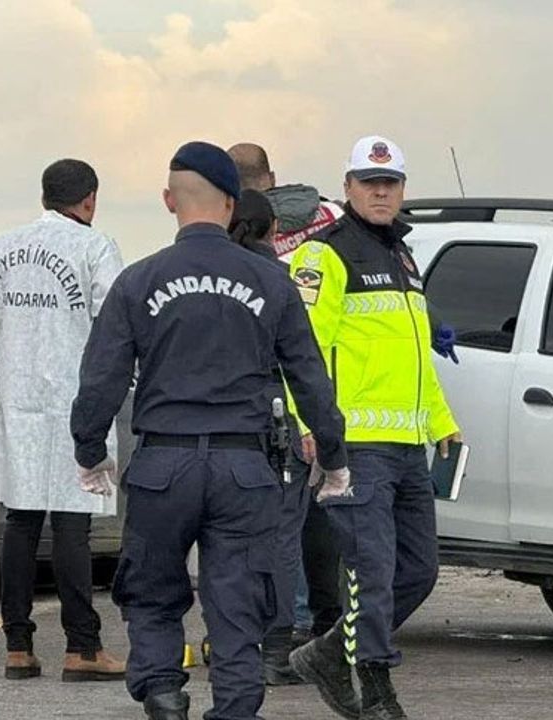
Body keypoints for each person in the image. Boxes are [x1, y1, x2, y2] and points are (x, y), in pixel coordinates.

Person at [69, 141, 351, 720]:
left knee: (151, 590)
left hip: (162, 465)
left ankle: (162, 692)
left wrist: (90, 450)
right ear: (231, 204)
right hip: (243, 468)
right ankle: (236, 707)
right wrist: (333, 454)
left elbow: (100, 379)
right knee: (238, 601)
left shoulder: (138, 281)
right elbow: (309, 377)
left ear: (168, 200)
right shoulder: (272, 281)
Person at [0, 160, 126, 682]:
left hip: (19, 402)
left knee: (20, 523)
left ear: (44, 197)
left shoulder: (2, 247)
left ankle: (17, 646)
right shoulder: (95, 248)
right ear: (90, 200)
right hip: (76, 401)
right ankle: (82, 647)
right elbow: (115, 323)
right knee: (72, 526)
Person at [288, 135, 461, 720]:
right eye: (369, 182)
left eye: (390, 183)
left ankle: (328, 653)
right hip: (356, 444)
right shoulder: (324, 255)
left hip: (408, 444)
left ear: (403, 189)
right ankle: (378, 690)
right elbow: (301, 349)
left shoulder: (403, 256)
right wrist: (309, 423)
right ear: (348, 188)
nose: (380, 192)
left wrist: (442, 422)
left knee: (419, 570)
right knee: (373, 571)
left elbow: (415, 357)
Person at [228, 143, 349, 655]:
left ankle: (283, 626)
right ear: (272, 176)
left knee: (275, 522)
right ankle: (324, 618)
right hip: (330, 387)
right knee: (319, 519)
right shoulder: (332, 217)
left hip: (267, 399)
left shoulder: (237, 237)